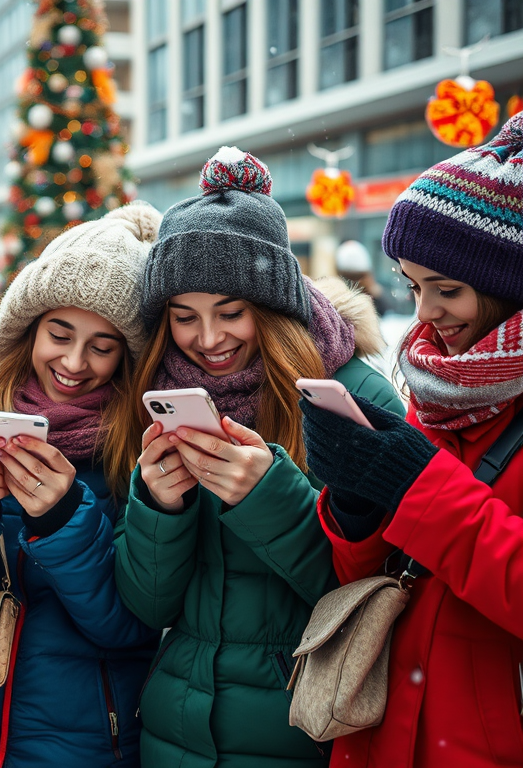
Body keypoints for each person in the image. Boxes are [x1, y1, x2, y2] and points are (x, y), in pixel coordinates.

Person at [113, 147, 404, 768]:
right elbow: (150, 606)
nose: (208, 339)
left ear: (271, 308)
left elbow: (385, 587)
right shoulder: (160, 398)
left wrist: (270, 497)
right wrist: (159, 507)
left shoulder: (351, 395)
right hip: (175, 733)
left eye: (231, 312)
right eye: (184, 317)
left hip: (302, 724)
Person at [300, 113, 523, 768]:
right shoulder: (435, 390)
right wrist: (356, 511)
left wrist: (414, 486)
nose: (423, 314)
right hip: (382, 737)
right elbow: (386, 579)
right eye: (413, 285)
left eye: (446, 289)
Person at [0, 203, 163, 767]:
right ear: (29, 330)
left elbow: (130, 623)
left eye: (103, 346)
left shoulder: (138, 450)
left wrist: (61, 519)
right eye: (60, 333)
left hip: (87, 741)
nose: (75, 362)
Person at [334, 240, 402, 316]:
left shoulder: (373, 292)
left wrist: (374, 290)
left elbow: (388, 311)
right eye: (350, 278)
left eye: (359, 276)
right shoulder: (336, 298)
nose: (357, 282)